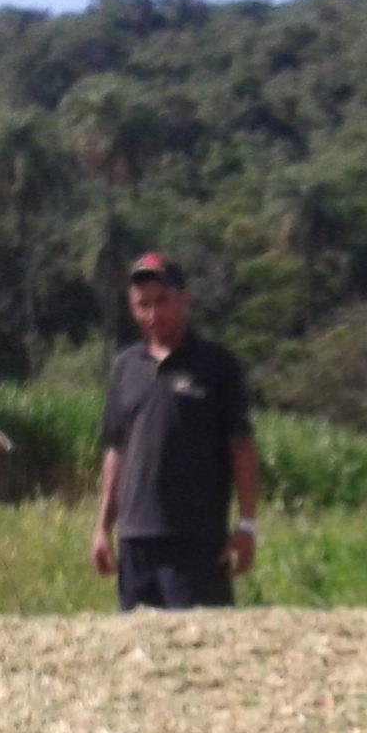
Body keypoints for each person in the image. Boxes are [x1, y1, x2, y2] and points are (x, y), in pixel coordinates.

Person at [91, 253, 259, 610]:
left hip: (197, 540)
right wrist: (103, 528)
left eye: (162, 301)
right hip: (135, 540)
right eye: (142, 305)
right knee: (137, 653)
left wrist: (247, 526)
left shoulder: (216, 365)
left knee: (204, 650)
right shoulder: (125, 368)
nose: (153, 314)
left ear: (184, 299)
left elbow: (241, 449)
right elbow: (115, 452)